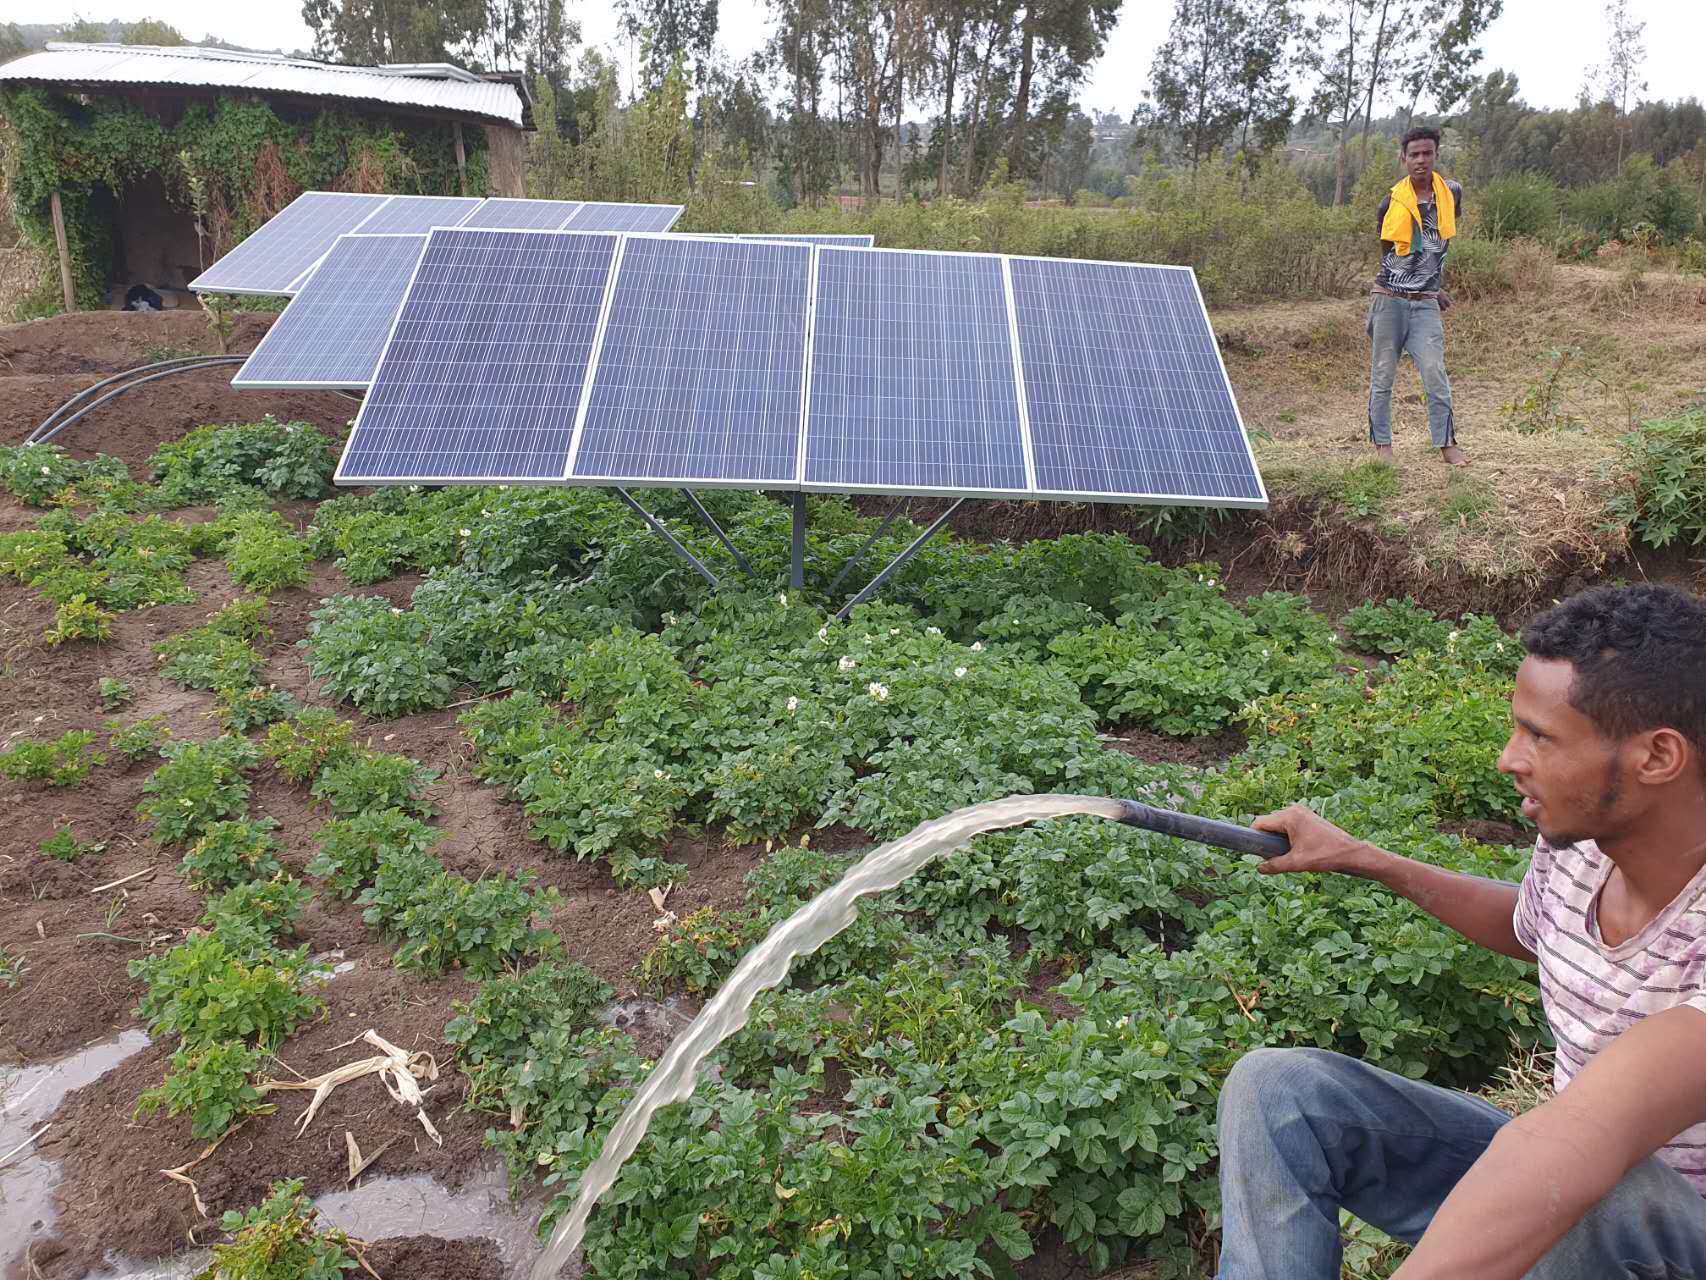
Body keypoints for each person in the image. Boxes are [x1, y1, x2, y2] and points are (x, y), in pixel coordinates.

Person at [1216, 583, 1706, 1279]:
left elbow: (1583, 1139)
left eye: (1540, 736)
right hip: (1568, 1182)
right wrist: (1361, 857)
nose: (1509, 759)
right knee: (1280, 1092)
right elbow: (1530, 924)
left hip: (1661, 1228)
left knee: (1590, 1189)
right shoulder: (1587, 841)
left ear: (1656, 757)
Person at [1369, 126, 1467, 467]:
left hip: (1426, 302)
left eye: (1427, 153)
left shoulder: (1451, 194)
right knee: (1383, 376)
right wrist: (1408, 282)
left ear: (1436, 155)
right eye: (1414, 155)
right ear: (1404, 159)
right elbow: (1387, 251)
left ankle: (1447, 444)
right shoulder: (1390, 202)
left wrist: (1432, 286)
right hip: (1389, 300)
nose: (1421, 160)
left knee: (1435, 372)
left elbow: (1441, 243)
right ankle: (1382, 447)